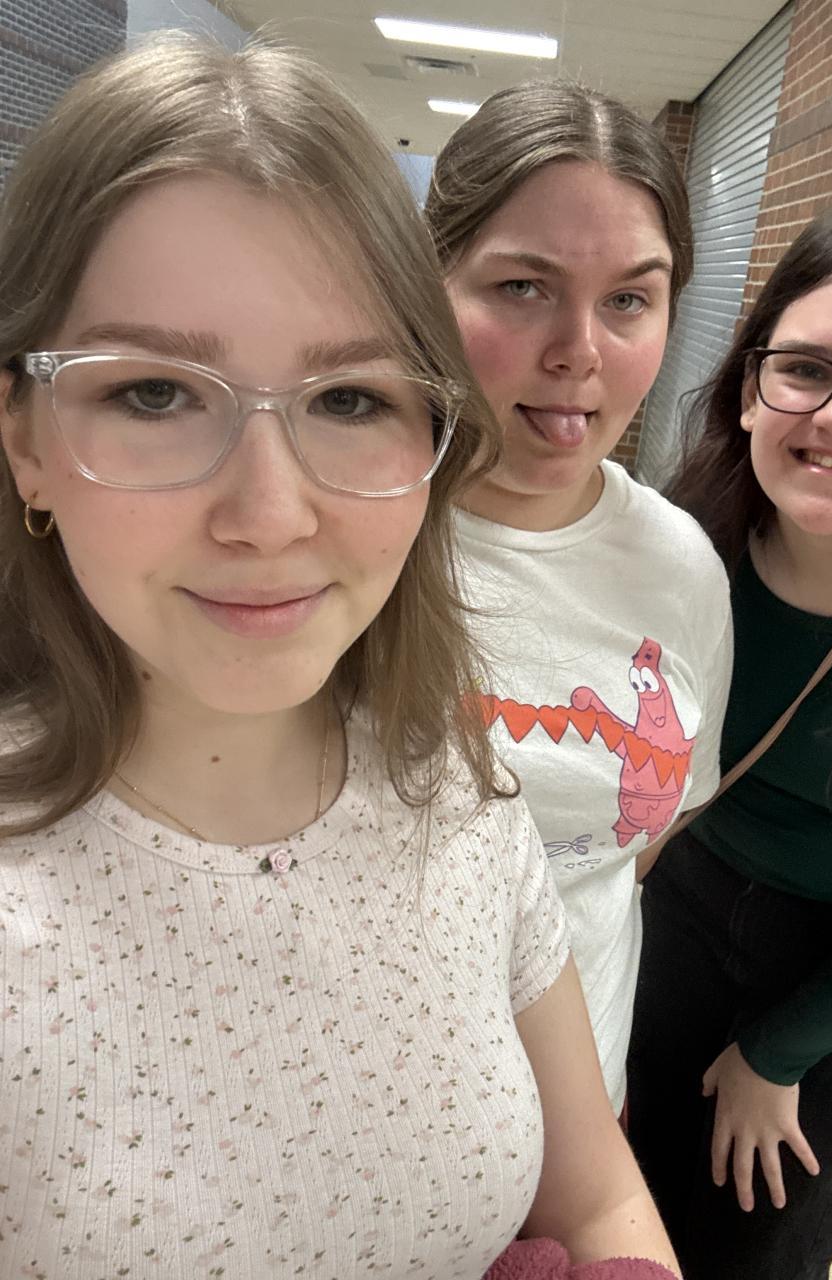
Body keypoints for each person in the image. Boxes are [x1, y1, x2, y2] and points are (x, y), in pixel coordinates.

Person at [0, 36, 682, 1279]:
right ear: (25, 438)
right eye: (155, 393)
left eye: (349, 399)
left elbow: (597, 1196)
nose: (269, 514)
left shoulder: (460, 791)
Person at [626, 201, 832, 1279]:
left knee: (758, 1245)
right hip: (678, 911)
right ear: (749, 385)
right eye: (806, 368)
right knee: (626, 1207)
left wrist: (777, 1056)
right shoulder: (683, 543)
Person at [425, 83, 733, 1116]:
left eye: (630, 300)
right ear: (427, 282)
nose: (579, 349)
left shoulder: (681, 566)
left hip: (578, 1110)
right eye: (523, 286)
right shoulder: (343, 533)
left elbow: (643, 838)